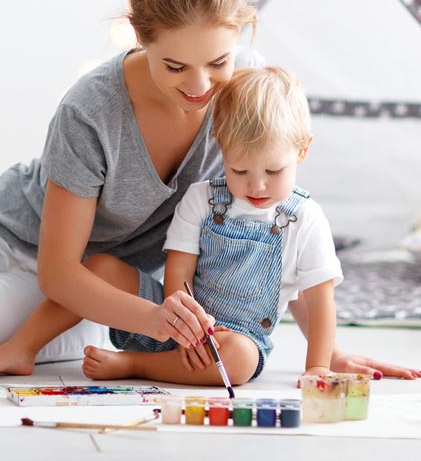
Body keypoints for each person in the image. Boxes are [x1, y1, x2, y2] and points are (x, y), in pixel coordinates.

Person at [0, 0, 421, 383]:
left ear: (240, 33)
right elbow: (60, 268)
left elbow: (277, 232)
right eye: (174, 66)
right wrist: (162, 321)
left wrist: (324, 352)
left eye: (217, 61)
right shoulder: (92, 108)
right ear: (139, 36)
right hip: (0, 235)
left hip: (83, 288)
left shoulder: (246, 90)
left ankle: (59, 333)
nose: (198, 86)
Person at [84, 66, 339, 384]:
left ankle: (135, 365)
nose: (256, 186)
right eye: (240, 170)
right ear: (223, 150)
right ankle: (26, 345)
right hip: (172, 319)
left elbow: (319, 301)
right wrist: (185, 327)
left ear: (302, 150)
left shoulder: (306, 219)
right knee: (99, 268)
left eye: (273, 171)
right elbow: (178, 272)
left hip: (231, 343)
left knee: (242, 359)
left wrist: (318, 365)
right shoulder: (202, 199)